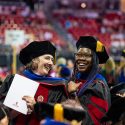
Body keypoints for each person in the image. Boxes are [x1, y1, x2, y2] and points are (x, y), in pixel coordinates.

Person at [0, 41, 68, 125]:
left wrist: (37, 107)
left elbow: (61, 117)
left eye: (52, 60)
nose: (51, 63)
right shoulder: (13, 80)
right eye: (47, 58)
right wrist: (15, 109)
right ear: (34, 59)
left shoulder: (57, 87)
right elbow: (2, 112)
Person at [67, 36, 111, 125]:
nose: (81, 58)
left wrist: (73, 94)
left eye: (87, 55)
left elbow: (91, 120)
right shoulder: (74, 79)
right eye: (79, 55)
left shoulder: (98, 85)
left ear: (94, 60)